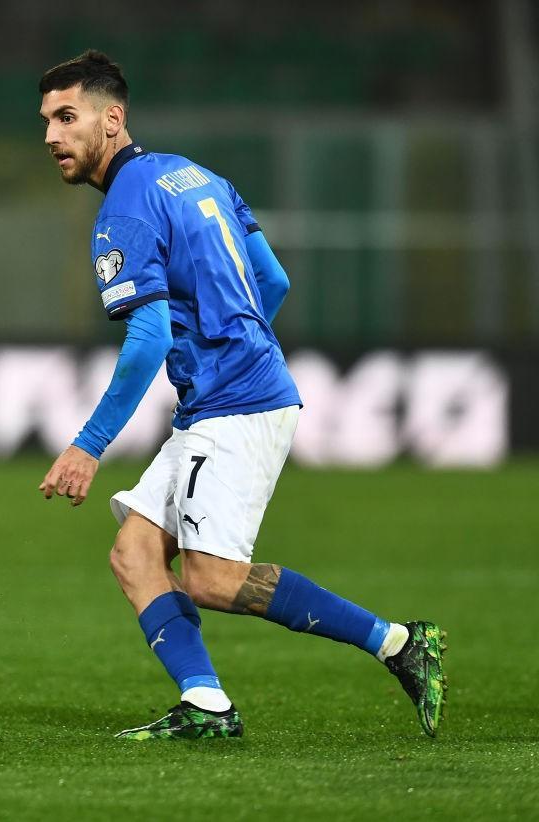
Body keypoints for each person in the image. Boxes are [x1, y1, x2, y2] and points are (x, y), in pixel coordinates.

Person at [36, 50, 446, 740]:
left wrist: (88, 445)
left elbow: (146, 340)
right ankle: (207, 706)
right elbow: (274, 282)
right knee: (135, 552)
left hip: (235, 405)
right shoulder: (195, 176)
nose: (51, 135)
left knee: (212, 581)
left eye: (66, 116)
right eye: (46, 120)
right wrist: (233, 342)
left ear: (113, 120)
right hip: (234, 394)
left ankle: (400, 643)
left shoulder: (124, 210)